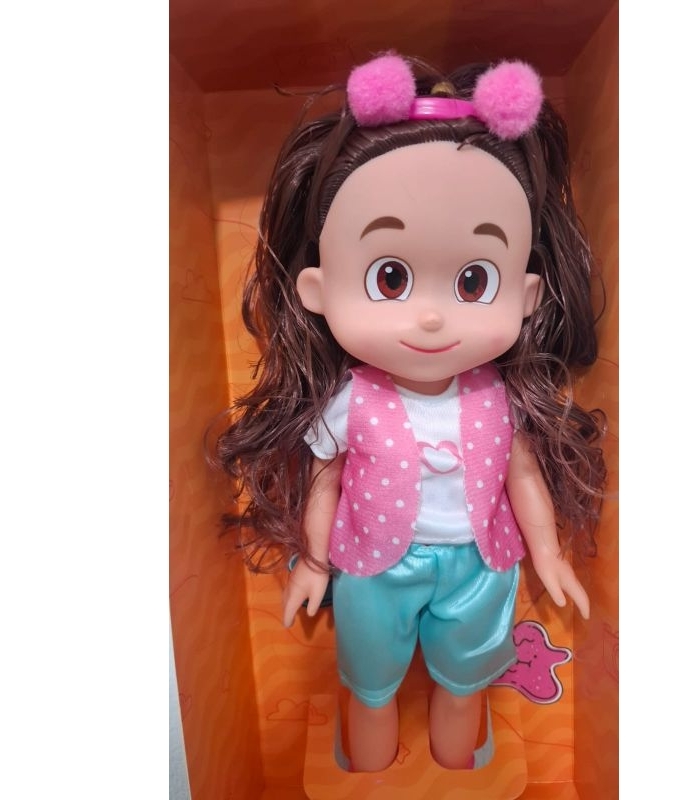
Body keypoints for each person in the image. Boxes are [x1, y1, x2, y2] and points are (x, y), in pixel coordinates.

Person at [214, 52, 606, 773]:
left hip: (480, 565)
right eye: (389, 278)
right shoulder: (352, 397)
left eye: (473, 281)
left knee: (465, 683)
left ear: (525, 297)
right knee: (369, 687)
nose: (430, 317)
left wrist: (548, 552)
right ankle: (369, 771)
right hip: (372, 565)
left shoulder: (496, 395)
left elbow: (522, 473)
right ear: (316, 290)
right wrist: (313, 562)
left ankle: (461, 769)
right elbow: (326, 478)